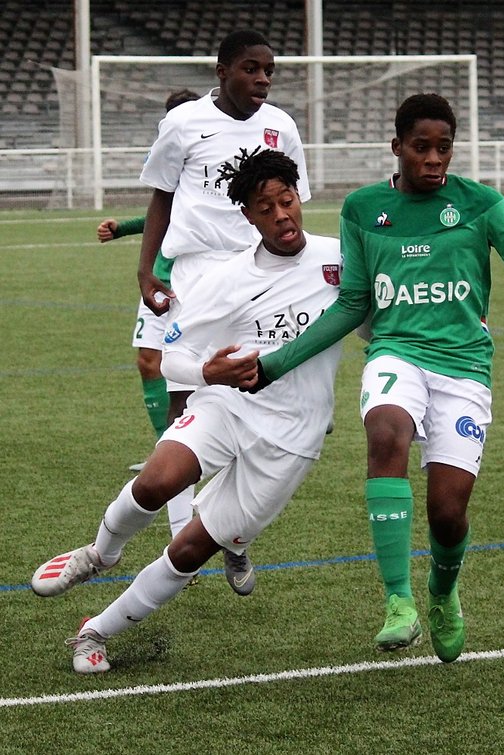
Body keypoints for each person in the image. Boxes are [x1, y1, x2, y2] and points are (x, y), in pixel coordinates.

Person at [243, 93, 504, 663]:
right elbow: (351, 306)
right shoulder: (363, 209)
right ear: (397, 148)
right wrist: (272, 365)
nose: (435, 158)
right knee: (386, 432)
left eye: (444, 147)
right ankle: (400, 602)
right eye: (422, 147)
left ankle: (442, 593)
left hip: (465, 366)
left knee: (448, 511)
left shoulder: (482, 204)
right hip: (395, 352)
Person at [31, 150, 344, 674]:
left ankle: (94, 631)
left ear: (299, 197)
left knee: (190, 550)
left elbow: (380, 320)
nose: (281, 215)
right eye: (264, 208)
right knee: (158, 480)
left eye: (286, 201)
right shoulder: (228, 277)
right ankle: (99, 554)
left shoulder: (341, 261)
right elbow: (172, 353)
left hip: (292, 436)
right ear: (247, 217)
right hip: (228, 405)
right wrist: (208, 375)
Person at [135, 29, 311, 592]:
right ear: (221, 70)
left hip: (257, 276)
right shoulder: (182, 124)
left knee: (252, 402)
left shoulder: (280, 126)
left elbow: (291, 201)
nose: (262, 80)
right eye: (251, 69)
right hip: (194, 275)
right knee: (186, 400)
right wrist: (147, 271)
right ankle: (181, 529)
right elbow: (161, 195)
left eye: (269, 71)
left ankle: (231, 535)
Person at [98, 89, 200, 484]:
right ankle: (165, 450)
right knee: (149, 361)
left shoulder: (215, 160)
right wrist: (123, 228)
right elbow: (163, 211)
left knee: (212, 361)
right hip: (161, 274)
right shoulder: (169, 152)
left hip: (201, 277)